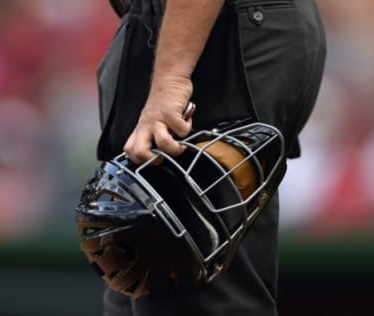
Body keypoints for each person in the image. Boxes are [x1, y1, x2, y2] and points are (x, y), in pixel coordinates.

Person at [94, 0, 326, 315]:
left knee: (187, 284)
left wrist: (171, 79)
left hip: (209, 31)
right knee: (142, 281)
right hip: (196, 28)